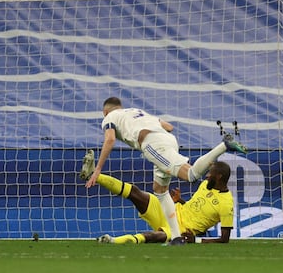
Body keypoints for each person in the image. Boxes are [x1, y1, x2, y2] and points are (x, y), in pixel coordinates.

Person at [85, 97, 246, 244]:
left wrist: (99, 168)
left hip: (152, 144)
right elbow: (169, 127)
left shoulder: (109, 118)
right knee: (160, 191)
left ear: (105, 112)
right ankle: (176, 238)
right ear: (120, 107)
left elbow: (110, 139)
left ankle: (224, 145)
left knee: (191, 175)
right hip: (167, 139)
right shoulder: (136, 111)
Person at [80, 153, 234, 244]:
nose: (207, 175)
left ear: (219, 177)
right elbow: (198, 210)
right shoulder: (206, 185)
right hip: (170, 210)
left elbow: (225, 239)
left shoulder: (226, 204)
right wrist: (180, 201)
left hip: (179, 229)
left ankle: (113, 241)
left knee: (154, 236)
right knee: (135, 193)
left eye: (210, 173)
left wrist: (197, 240)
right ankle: (94, 175)